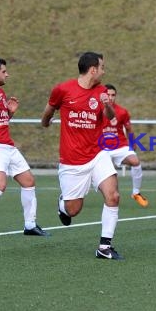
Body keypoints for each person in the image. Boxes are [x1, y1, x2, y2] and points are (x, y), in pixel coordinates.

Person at [41, 52, 123, 260]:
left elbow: (112, 118)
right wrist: (46, 121)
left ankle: (104, 247)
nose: (104, 71)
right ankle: (63, 205)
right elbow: (49, 110)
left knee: (113, 196)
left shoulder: (102, 92)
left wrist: (107, 105)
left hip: (97, 154)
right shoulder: (63, 90)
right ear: (93, 69)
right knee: (73, 210)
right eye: (102, 67)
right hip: (72, 160)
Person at [0, 57, 48, 237]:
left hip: (7, 145)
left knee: (29, 181)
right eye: (4, 71)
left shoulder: (1, 94)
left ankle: (30, 225)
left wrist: (9, 113)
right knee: (0, 184)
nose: (7, 74)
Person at [102, 84, 149, 208]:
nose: (111, 97)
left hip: (119, 146)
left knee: (135, 161)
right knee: (103, 173)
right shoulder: (96, 111)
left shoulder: (122, 112)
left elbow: (129, 129)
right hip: (101, 148)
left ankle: (136, 193)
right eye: (108, 95)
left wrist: (133, 143)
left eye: (113, 95)